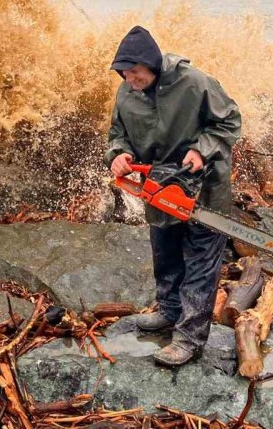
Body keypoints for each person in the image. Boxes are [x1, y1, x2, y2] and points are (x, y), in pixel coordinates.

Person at [105, 25, 241, 367]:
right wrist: (118, 154)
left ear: (152, 65)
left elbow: (229, 122)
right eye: (125, 73)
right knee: (164, 251)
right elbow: (117, 134)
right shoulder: (126, 93)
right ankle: (168, 310)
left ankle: (190, 338)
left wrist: (201, 150)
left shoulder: (194, 83)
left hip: (204, 187)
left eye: (136, 72)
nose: (130, 79)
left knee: (199, 262)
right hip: (160, 187)